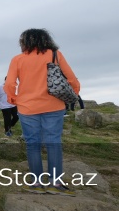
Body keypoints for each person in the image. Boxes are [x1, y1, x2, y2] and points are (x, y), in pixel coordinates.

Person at [5, 28, 79, 196]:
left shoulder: (18, 59)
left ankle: (36, 183)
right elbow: (71, 78)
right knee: (53, 142)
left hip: (27, 107)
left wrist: (13, 99)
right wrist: (74, 93)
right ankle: (55, 184)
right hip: (54, 105)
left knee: (33, 144)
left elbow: (9, 83)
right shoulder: (55, 55)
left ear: (24, 42)